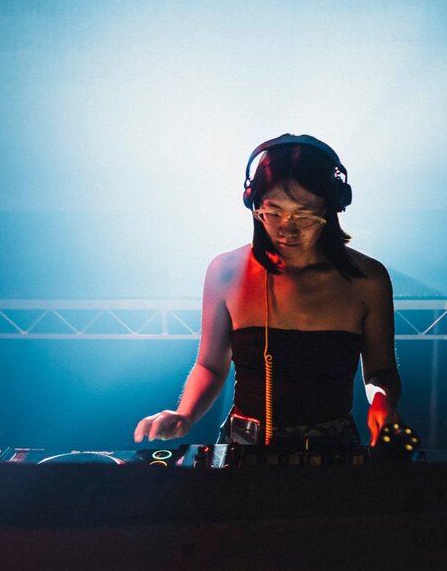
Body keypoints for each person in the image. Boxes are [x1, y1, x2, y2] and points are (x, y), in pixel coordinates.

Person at [133, 134, 401, 447]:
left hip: (333, 446)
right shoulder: (226, 271)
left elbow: (380, 370)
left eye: (304, 214)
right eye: (272, 212)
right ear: (253, 203)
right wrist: (185, 414)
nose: (287, 227)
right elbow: (210, 364)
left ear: (331, 208)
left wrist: (383, 402)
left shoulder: (368, 279)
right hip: (244, 445)